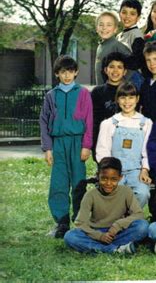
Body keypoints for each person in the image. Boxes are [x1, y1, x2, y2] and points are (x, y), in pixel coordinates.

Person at [39, 55, 93, 238]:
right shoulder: (51, 96)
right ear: (57, 74)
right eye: (63, 72)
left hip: (77, 143)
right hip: (58, 144)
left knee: (79, 183)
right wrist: (48, 148)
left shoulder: (83, 93)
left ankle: (79, 221)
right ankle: (61, 223)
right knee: (58, 183)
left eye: (70, 71)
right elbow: (44, 122)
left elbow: (89, 121)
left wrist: (86, 145)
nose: (67, 75)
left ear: (76, 72)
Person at [63, 157, 149, 254]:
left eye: (113, 179)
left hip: (117, 233)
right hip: (96, 233)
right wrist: (99, 236)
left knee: (143, 226)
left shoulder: (126, 191)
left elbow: (138, 214)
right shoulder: (91, 195)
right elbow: (80, 223)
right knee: (70, 236)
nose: (108, 183)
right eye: (104, 178)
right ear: (97, 176)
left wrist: (117, 226)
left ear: (120, 178)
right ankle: (114, 250)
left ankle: (98, 248)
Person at [95, 82, 153, 208]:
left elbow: (148, 151)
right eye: (123, 97)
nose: (127, 102)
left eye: (131, 97)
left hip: (136, 171)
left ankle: (130, 217)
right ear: (117, 99)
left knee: (143, 193)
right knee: (114, 194)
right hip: (114, 170)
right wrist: (108, 171)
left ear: (137, 99)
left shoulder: (145, 123)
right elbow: (102, 151)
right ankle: (116, 218)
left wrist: (145, 170)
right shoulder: (109, 123)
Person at [91, 52, 127, 161]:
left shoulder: (130, 91)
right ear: (106, 70)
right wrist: (94, 146)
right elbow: (94, 121)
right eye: (112, 67)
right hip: (103, 142)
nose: (115, 71)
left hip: (125, 142)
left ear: (125, 71)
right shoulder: (98, 92)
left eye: (119, 67)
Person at [94, 11, 131, 85]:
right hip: (102, 91)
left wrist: (120, 85)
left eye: (109, 25)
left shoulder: (118, 46)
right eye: (101, 25)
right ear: (97, 29)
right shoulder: (100, 47)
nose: (104, 28)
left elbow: (132, 67)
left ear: (115, 29)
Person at [116, 0, 146, 88]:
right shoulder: (119, 35)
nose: (127, 16)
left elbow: (137, 60)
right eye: (124, 12)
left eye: (132, 14)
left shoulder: (136, 35)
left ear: (138, 18)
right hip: (122, 75)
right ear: (119, 14)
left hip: (133, 77)